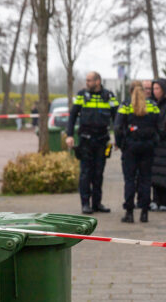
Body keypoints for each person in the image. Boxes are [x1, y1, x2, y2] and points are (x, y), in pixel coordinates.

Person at [66, 71, 118, 214]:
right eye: (87, 80)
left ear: (98, 81)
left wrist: (118, 139)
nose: (87, 83)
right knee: (85, 173)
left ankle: (97, 203)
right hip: (85, 141)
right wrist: (69, 135)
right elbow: (72, 116)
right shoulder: (82, 95)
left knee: (98, 173)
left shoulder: (109, 96)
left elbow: (117, 117)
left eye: (89, 80)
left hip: (102, 141)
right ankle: (85, 204)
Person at [115, 81, 160, 223]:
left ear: (130, 91)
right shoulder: (152, 105)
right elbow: (159, 125)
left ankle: (129, 213)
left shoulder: (126, 105)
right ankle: (144, 213)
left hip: (130, 148)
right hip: (147, 147)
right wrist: (154, 142)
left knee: (130, 180)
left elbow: (117, 127)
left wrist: (121, 143)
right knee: (146, 180)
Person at [150, 78, 166, 212]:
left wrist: (155, 132)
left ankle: (164, 201)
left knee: (164, 172)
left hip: (165, 145)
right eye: (153, 89)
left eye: (157, 89)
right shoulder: (154, 105)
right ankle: (155, 200)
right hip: (155, 145)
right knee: (154, 173)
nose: (154, 91)